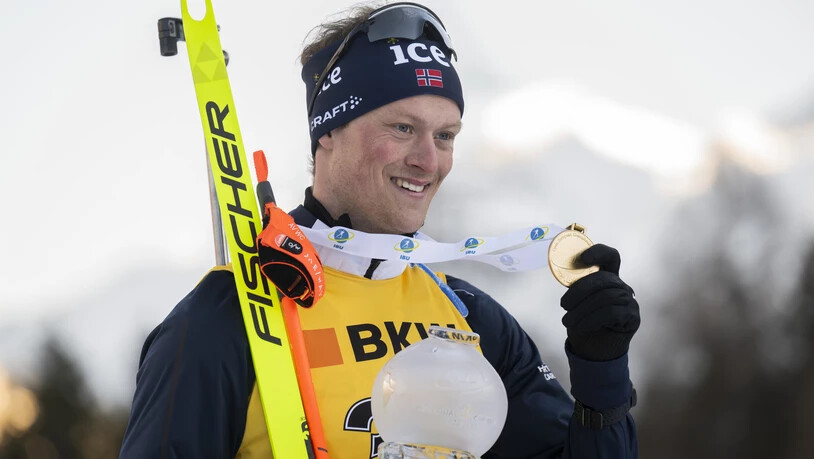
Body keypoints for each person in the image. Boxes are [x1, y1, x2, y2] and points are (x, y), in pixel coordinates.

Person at [120, 2, 640, 458]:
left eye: (445, 136)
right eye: (402, 128)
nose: (427, 161)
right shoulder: (224, 321)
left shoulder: (470, 318)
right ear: (328, 133)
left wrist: (602, 373)